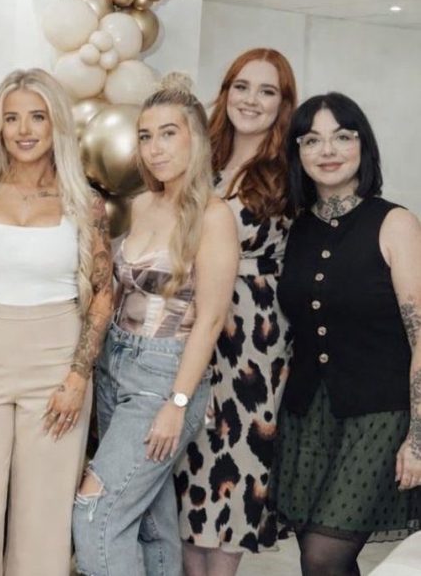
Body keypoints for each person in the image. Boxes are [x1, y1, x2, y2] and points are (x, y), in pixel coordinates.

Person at [0, 68, 113, 575]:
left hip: (58, 366)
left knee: (45, 514)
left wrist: (79, 377)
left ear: (56, 123)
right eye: (11, 118)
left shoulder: (85, 202)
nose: (24, 129)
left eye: (37, 117)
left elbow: (103, 295)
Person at [72, 75, 239, 576]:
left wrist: (178, 403)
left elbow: (209, 320)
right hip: (113, 366)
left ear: (196, 139)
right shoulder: (140, 204)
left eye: (169, 133)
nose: (155, 147)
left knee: (96, 511)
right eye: (145, 135)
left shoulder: (214, 216)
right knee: (148, 517)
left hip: (164, 376)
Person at [272, 92, 421, 576]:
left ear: (363, 145)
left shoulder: (394, 223)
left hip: (380, 415)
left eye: (342, 136)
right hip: (306, 415)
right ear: (297, 152)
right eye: (311, 139)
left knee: (324, 555)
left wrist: (418, 436)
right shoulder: (292, 230)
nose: (327, 149)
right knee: (316, 557)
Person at [175, 48, 297, 575]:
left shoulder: (291, 170)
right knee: (186, 469)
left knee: (237, 471)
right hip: (186, 327)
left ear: (283, 104)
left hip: (253, 338)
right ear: (225, 92)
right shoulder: (198, 159)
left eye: (267, 91)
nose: (252, 100)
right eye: (242, 86)